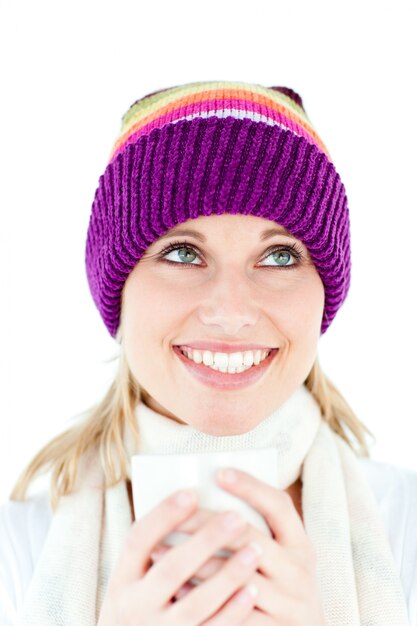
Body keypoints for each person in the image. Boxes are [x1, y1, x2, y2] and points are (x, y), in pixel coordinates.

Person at [0, 80, 416, 626]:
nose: (231, 311)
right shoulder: (19, 549)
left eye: (280, 257)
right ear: (117, 290)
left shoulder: (405, 524)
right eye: (181, 252)